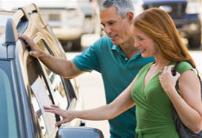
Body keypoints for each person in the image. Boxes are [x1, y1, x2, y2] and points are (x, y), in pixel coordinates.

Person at [44, 8, 202, 138]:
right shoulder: (146, 70)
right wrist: (73, 114)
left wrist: (170, 90)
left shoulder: (182, 70)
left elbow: (197, 124)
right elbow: (112, 109)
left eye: (140, 39)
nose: (136, 44)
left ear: (157, 37)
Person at [20, 0, 154, 137]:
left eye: (112, 23)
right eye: (103, 25)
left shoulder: (155, 50)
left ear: (130, 17)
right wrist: (41, 54)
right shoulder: (102, 48)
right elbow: (69, 69)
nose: (107, 30)